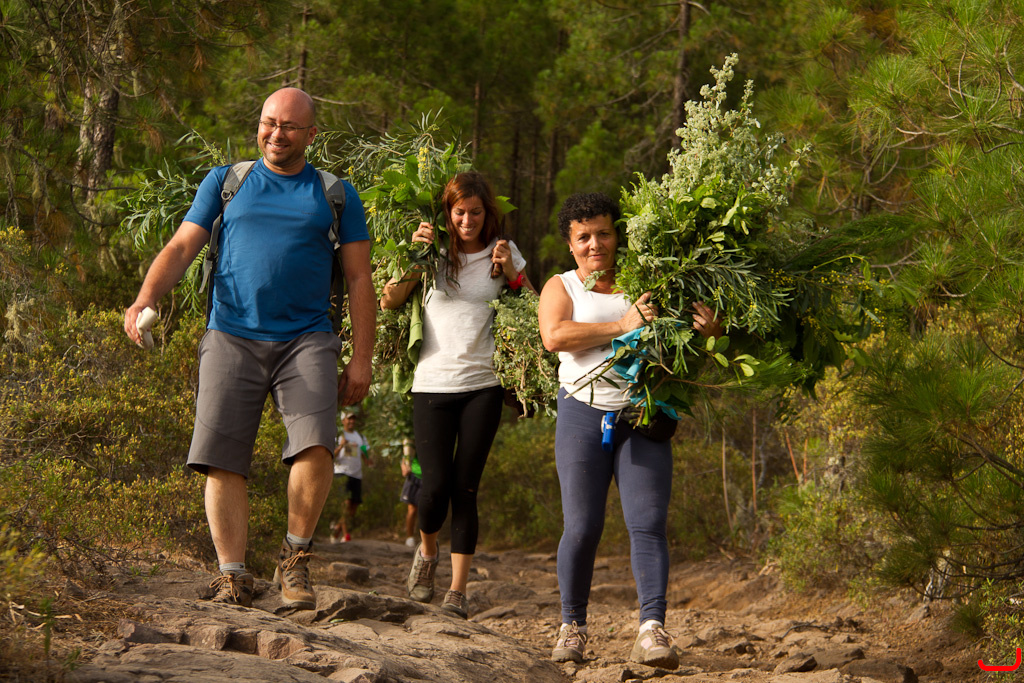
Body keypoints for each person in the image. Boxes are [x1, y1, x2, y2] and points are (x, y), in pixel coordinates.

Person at [123, 87, 375, 610]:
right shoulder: (226, 183)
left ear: (310, 134)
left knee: (316, 445)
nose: (275, 134)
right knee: (221, 456)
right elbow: (182, 246)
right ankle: (232, 575)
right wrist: (146, 297)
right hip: (230, 334)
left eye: (289, 126)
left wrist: (361, 358)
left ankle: (295, 559)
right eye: (268, 123)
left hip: (307, 338)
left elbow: (358, 279)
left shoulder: (336, 194)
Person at [537, 192, 721, 667]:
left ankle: (651, 629)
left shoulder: (649, 283)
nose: (594, 244)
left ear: (618, 236)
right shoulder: (562, 286)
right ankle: (572, 627)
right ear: (570, 244)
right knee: (582, 526)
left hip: (643, 416)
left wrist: (712, 332)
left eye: (603, 233)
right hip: (582, 414)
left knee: (648, 522)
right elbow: (555, 336)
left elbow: (689, 337)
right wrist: (623, 324)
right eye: (583, 237)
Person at [379, 171, 535, 619]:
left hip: (482, 386)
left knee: (466, 488)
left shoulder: (503, 252)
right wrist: (416, 256)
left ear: (489, 213)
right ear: (447, 212)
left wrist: (512, 273)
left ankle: (457, 591)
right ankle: (428, 553)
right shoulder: (432, 252)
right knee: (433, 488)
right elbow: (389, 299)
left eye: (476, 212)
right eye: (459, 212)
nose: (467, 220)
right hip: (432, 384)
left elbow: (536, 308)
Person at [330, 412, 372, 543]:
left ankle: (336, 530)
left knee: (353, 508)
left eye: (353, 419)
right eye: (349, 419)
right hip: (342, 472)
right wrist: (341, 445)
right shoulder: (338, 435)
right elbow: (332, 455)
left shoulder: (360, 437)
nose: (352, 421)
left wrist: (368, 460)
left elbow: (364, 452)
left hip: (356, 474)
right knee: (346, 504)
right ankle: (346, 535)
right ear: (343, 420)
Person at [399, 437, 421, 548]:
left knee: (428, 510)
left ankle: (427, 540)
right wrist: (404, 465)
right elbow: (405, 452)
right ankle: (410, 537)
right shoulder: (412, 434)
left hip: (430, 476)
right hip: (415, 475)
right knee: (412, 509)